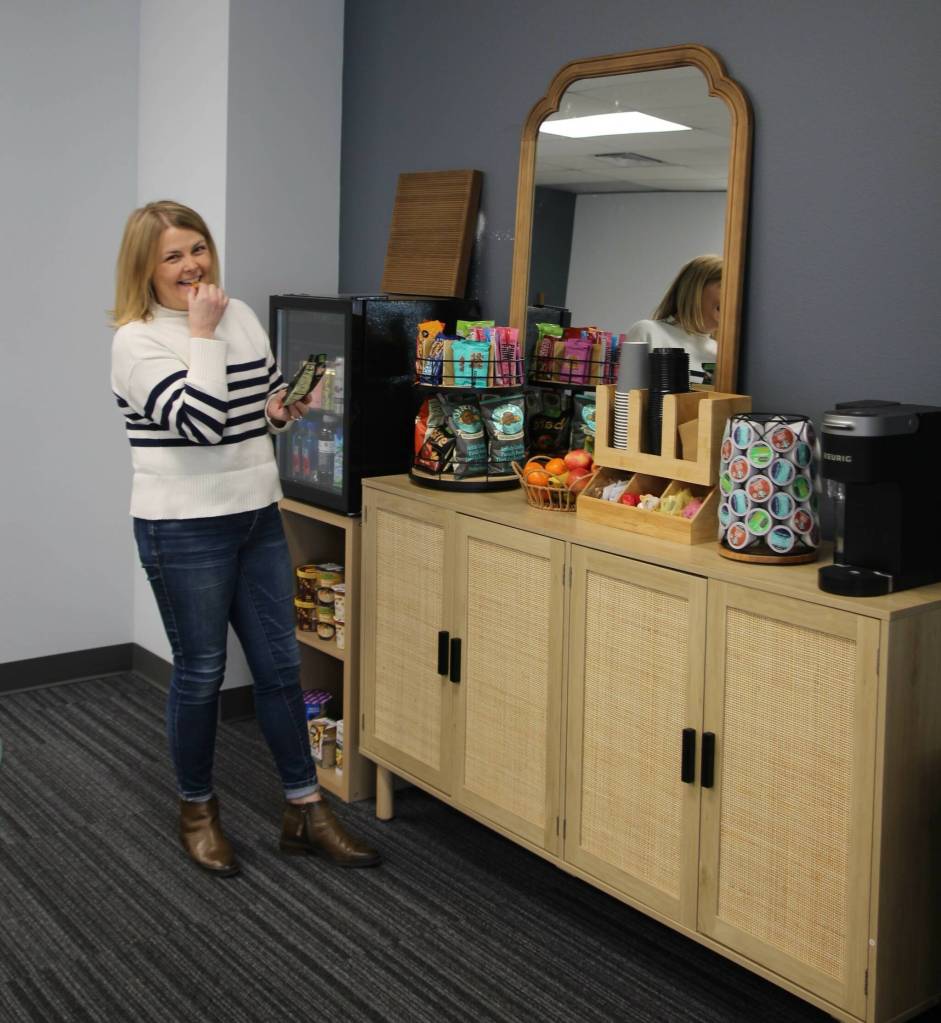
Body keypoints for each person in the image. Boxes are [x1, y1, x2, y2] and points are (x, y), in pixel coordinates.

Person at [110, 200, 379, 876]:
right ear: (145, 267)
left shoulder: (242, 316)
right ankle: (197, 810)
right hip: (182, 528)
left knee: (281, 667)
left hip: (256, 514)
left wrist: (282, 410)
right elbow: (200, 424)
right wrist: (202, 332)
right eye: (173, 255)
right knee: (201, 673)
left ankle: (305, 808)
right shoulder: (135, 341)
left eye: (197, 248)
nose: (191, 265)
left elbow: (255, 412)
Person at [626, 254, 722, 384]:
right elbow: (630, 394)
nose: (733, 298)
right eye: (725, 286)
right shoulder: (647, 332)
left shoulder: (721, 352)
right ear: (696, 288)